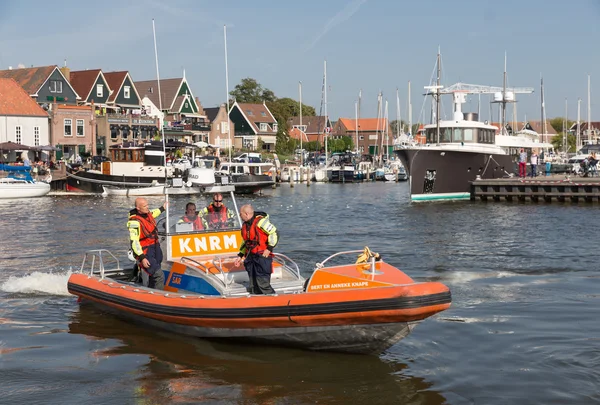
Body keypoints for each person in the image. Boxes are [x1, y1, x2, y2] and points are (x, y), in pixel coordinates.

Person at [233, 204, 278, 295]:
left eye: (240, 214)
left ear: (246, 214)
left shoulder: (261, 222)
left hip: (261, 256)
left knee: (263, 284)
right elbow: (246, 242)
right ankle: (258, 301)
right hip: (251, 257)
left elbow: (274, 233)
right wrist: (240, 255)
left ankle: (273, 300)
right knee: (253, 285)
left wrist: (269, 248)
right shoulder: (245, 225)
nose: (239, 216)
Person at [127, 198, 167, 290]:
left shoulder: (148, 214)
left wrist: (163, 208)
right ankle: (158, 298)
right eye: (145, 206)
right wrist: (142, 258)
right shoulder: (134, 222)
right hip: (145, 251)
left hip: (154, 247)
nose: (147, 207)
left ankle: (152, 292)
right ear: (138, 208)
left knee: (154, 275)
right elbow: (134, 242)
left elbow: (154, 213)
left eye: (147, 205)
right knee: (159, 275)